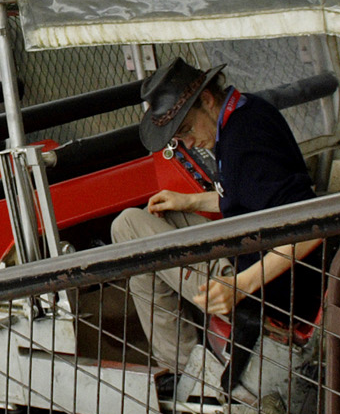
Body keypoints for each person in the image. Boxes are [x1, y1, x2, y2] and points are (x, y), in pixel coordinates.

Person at [110, 57, 325, 394]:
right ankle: (182, 360)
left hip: (270, 285)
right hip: (262, 254)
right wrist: (191, 202)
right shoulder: (247, 111)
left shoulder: (245, 143)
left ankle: (183, 370)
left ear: (207, 100)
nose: (188, 143)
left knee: (127, 228)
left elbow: (314, 221)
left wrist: (241, 285)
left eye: (185, 130)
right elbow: (251, 196)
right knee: (150, 220)